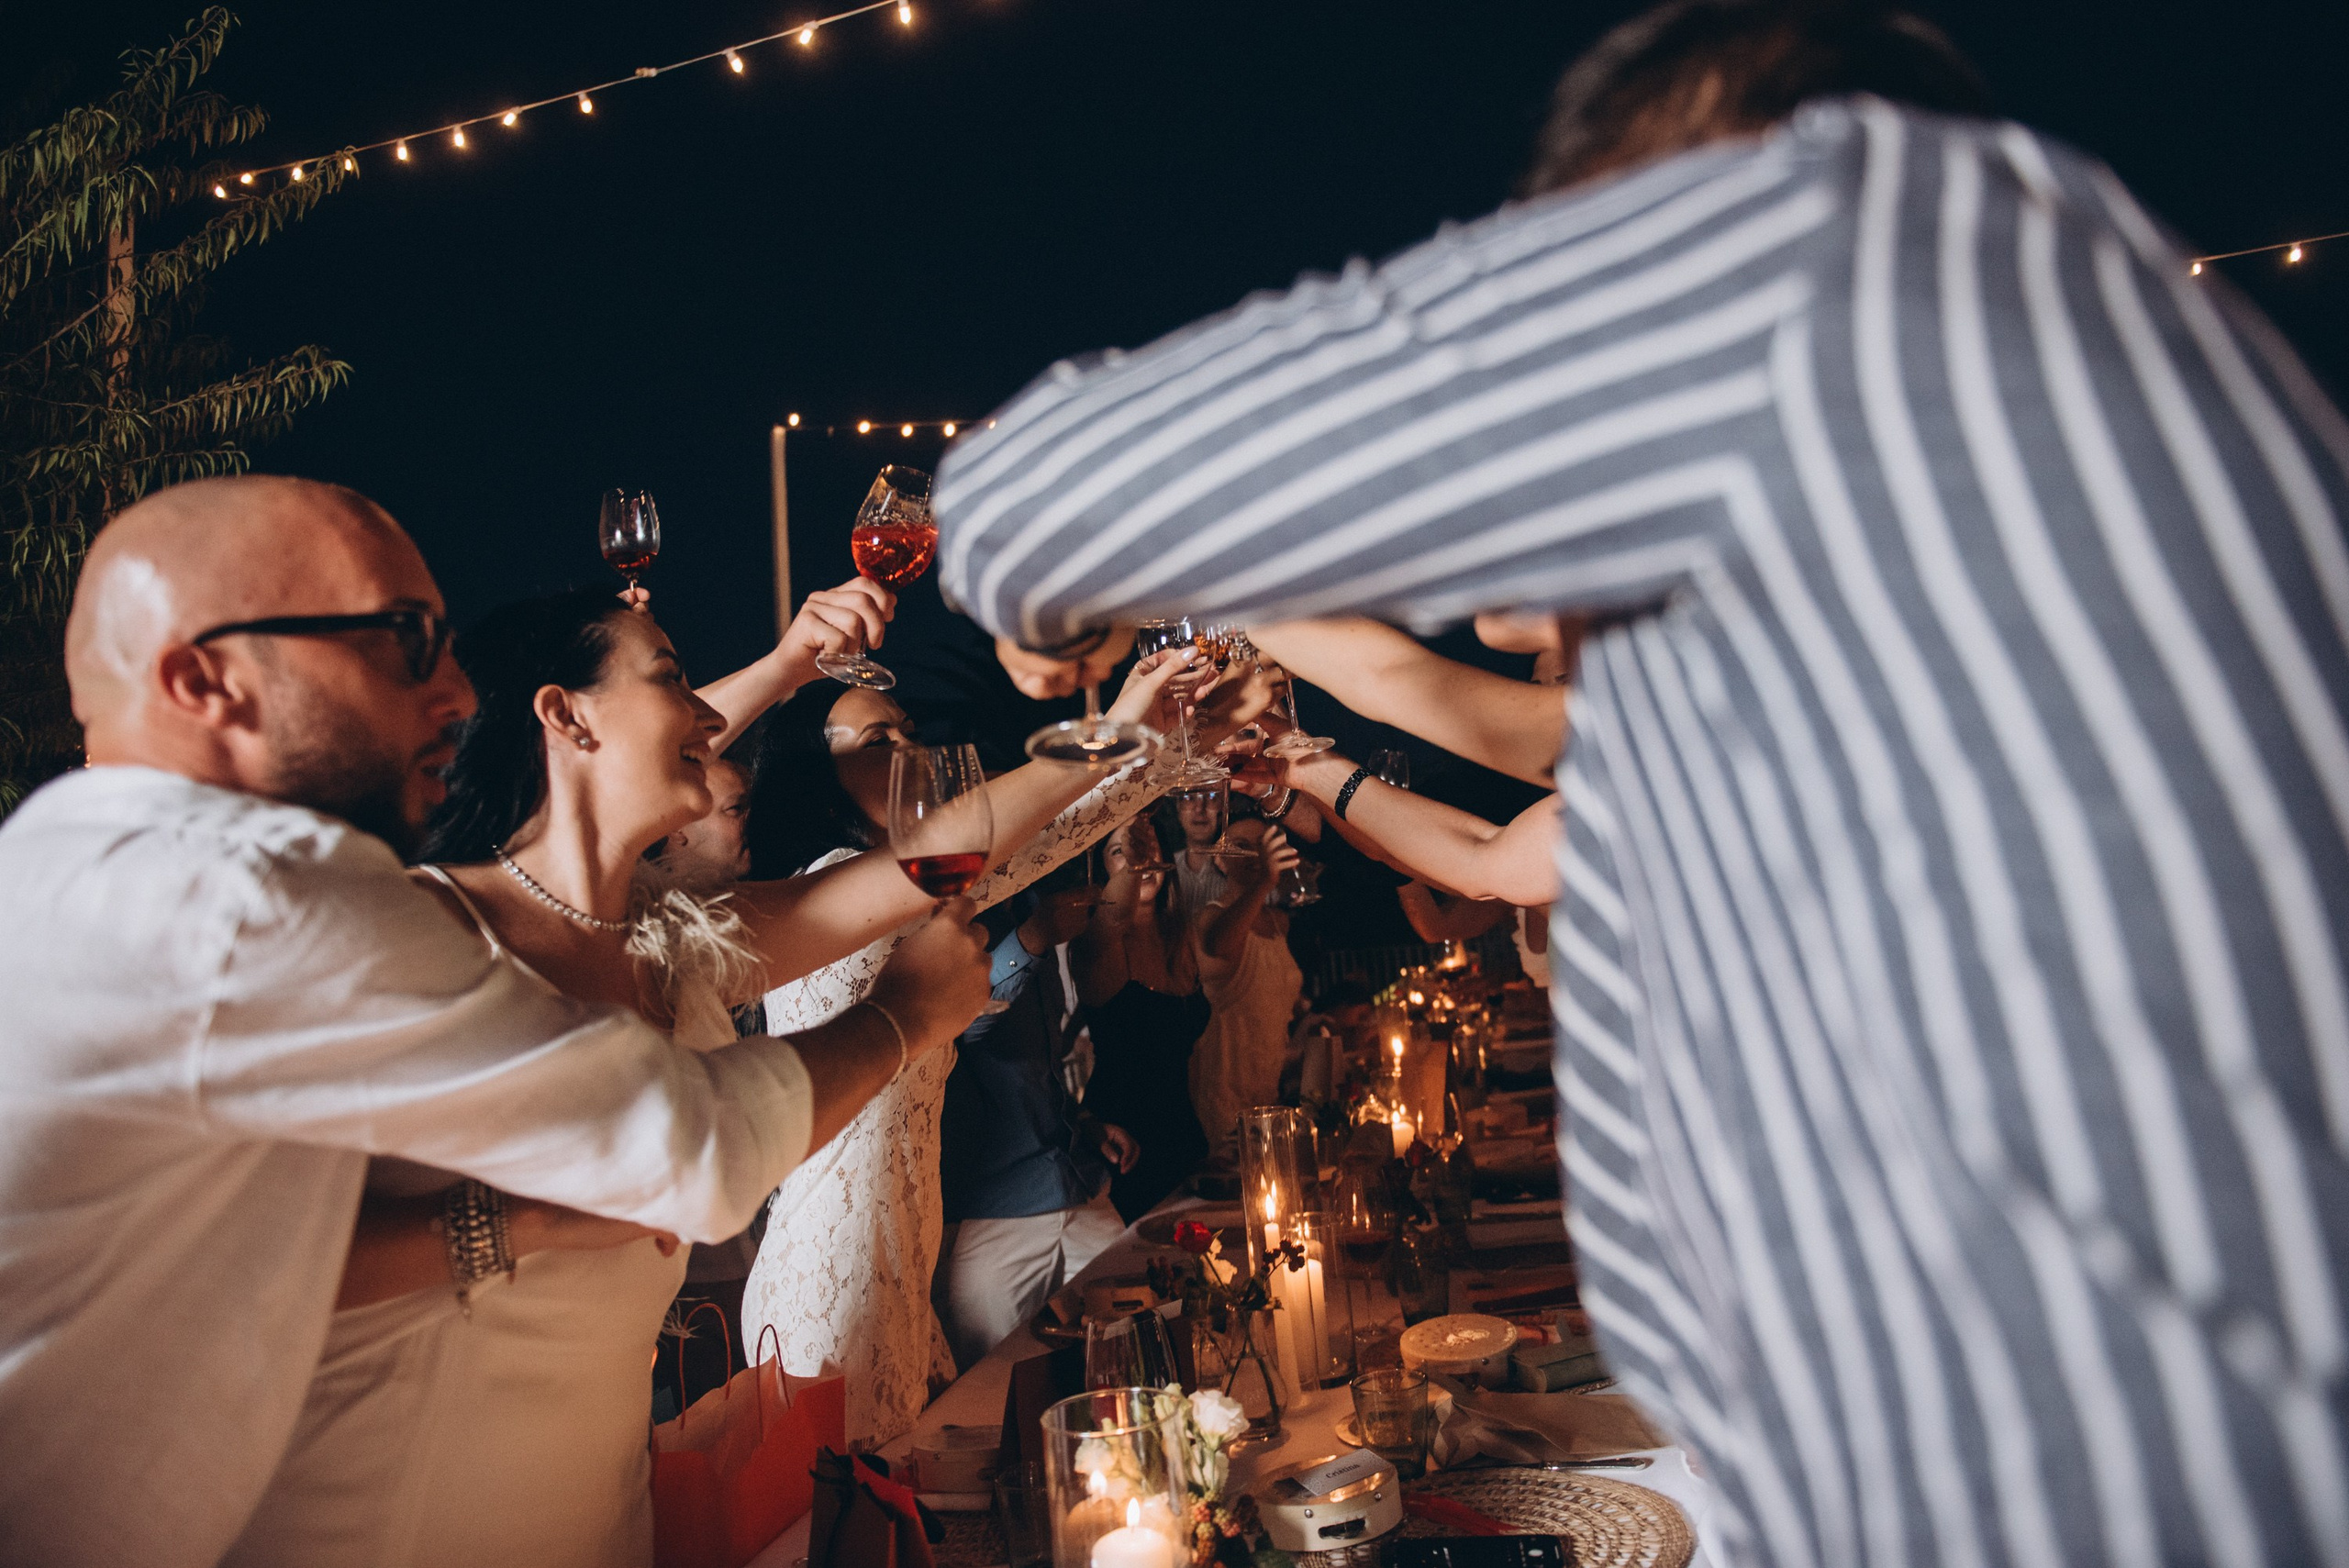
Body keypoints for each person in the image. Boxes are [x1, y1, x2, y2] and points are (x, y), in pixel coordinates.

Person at [931, 3, 2349, 1562]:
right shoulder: (2085, 416)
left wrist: (1059, 613)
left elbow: (1029, 493)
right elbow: (1538, 739)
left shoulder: (1808, 241)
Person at [0, 477, 985, 1568]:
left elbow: (237, 1247)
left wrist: (502, 1225)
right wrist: (906, 1012)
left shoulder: (61, 865)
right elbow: (690, 1148)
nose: (456, 691)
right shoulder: (253, 895)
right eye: (403, 639)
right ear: (203, 679)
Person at [226, 587, 993, 1568]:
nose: (708, 718)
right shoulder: (412, 934)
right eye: (671, 675)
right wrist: (525, 1221)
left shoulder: (665, 949)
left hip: (602, 1519)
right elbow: (242, 1253)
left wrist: (1116, 746)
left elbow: (918, 852)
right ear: (559, 713)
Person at [739, 656, 1220, 1447]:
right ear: (815, 778)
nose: (910, 753)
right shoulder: (835, 884)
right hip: (835, 1272)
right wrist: (1138, 735)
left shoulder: (894, 893)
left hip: (902, 1256)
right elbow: (1041, 840)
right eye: (877, 741)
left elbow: (1036, 843)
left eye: (909, 733)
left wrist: (1170, 741)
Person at [932, 865, 1141, 1367]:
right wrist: (1035, 937)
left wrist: (1084, 1124)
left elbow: (1033, 1073)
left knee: (1139, 1340)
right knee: (993, 1382)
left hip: (1076, 1187)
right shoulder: (948, 923)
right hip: (994, 1207)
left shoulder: (1029, 906)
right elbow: (964, 1028)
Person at [1074, 817, 1213, 1219]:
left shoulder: (1180, 939)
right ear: (1102, 870)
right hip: (1123, 1151)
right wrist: (1133, 869)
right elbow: (1113, 919)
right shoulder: (1097, 942)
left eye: (1147, 845)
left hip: (1185, 1144)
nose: (1143, 858)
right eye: (1121, 850)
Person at [1171, 795, 1305, 1157]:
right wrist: (1264, 884)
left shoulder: (1279, 923)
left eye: (1261, 845)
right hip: (1224, 1107)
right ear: (1220, 859)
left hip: (1270, 1093)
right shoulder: (1210, 918)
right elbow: (1218, 945)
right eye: (1241, 846)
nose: (1254, 855)